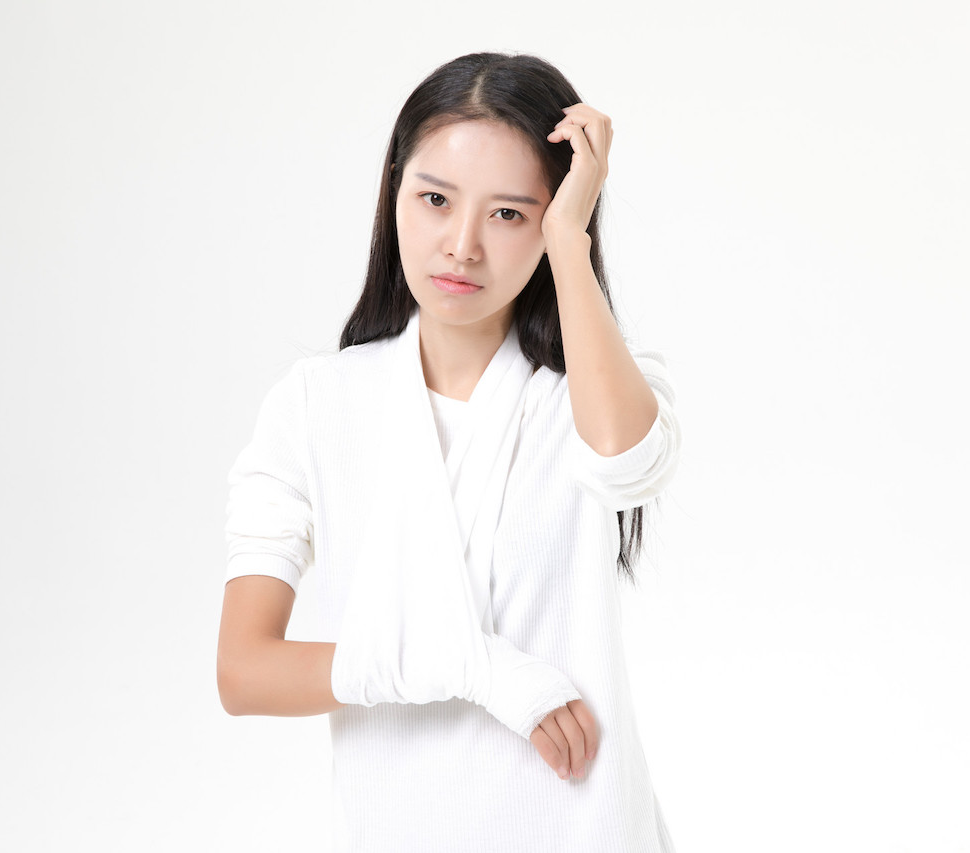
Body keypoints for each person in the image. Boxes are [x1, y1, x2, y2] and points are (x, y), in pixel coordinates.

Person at [217, 51, 681, 852]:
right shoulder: (318, 405)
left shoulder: (589, 391)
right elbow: (244, 671)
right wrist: (473, 667)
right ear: (394, 190)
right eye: (435, 199)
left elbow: (626, 461)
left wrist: (569, 240)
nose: (462, 245)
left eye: (509, 214)